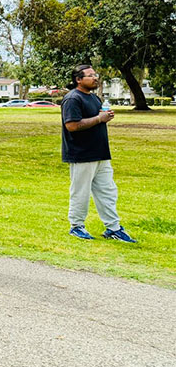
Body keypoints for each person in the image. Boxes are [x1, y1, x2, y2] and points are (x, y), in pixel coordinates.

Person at [61, 64, 136, 243]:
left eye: (96, 74)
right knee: (81, 192)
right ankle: (76, 226)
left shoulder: (94, 98)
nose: (95, 78)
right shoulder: (72, 99)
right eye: (90, 75)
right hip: (82, 154)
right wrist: (98, 119)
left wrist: (104, 117)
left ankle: (113, 228)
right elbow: (72, 125)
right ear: (78, 79)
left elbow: (95, 120)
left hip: (100, 154)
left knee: (108, 191)